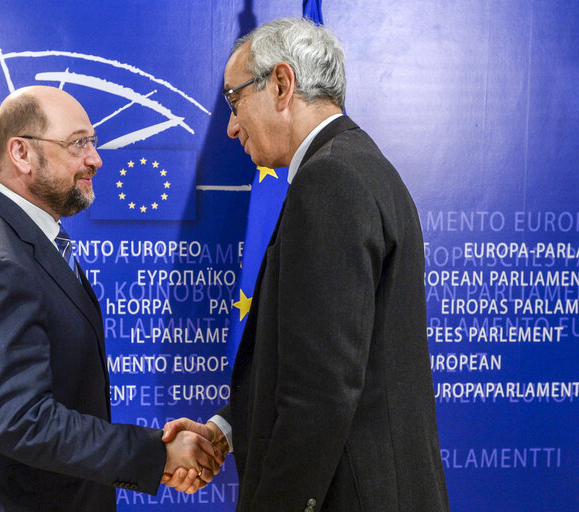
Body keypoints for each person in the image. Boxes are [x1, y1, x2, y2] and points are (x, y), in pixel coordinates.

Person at [162, 17, 450, 512]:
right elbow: (319, 363)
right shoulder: (361, 165)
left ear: (281, 83)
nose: (230, 126)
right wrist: (227, 429)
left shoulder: (330, 180)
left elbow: (321, 394)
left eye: (234, 100)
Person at [0, 85, 222, 512]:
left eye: (93, 143)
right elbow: (21, 421)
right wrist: (157, 455)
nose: (95, 159)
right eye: (78, 143)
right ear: (21, 154)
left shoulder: (17, 235)